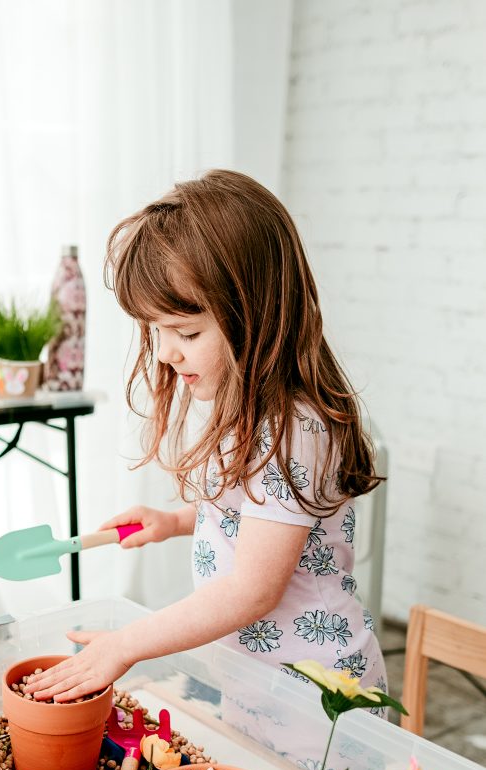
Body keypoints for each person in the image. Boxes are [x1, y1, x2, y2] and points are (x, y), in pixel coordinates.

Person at [28, 169, 386, 707]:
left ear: (257, 314)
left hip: (319, 698)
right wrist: (173, 522)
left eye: (187, 333)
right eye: (156, 332)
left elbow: (251, 589)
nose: (167, 353)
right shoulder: (248, 409)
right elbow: (261, 514)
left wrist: (126, 645)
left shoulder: (291, 428)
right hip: (259, 682)